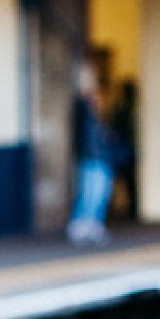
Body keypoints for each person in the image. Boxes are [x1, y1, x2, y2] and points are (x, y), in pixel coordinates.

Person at [67, 66, 121, 245]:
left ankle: (92, 224)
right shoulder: (85, 114)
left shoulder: (98, 121)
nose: (100, 100)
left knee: (100, 193)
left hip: (101, 158)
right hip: (92, 158)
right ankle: (82, 224)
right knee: (91, 192)